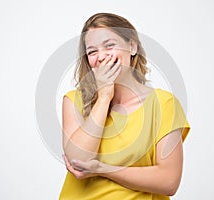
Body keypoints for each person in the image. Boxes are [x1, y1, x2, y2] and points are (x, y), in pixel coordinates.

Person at [59, 12, 190, 200]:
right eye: (92, 51)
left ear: (132, 46)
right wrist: (104, 97)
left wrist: (104, 170)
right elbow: (78, 160)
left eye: (109, 45)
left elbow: (169, 181)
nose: (102, 56)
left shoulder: (163, 104)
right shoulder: (73, 101)